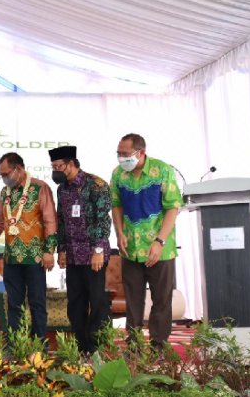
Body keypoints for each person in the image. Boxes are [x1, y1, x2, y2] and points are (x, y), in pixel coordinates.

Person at [0, 153, 57, 339]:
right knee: (13, 305)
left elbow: (50, 221)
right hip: (11, 258)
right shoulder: (5, 192)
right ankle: (15, 346)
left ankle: (39, 346)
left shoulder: (39, 188)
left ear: (18, 169)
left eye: (6, 174)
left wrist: (49, 252)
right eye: (1, 175)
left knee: (37, 303)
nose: (4, 179)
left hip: (35, 258)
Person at [110, 133, 182, 349]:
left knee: (161, 300)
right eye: (118, 154)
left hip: (159, 248)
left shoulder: (162, 170)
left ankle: (159, 346)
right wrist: (119, 233)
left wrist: (159, 241)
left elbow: (172, 207)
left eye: (125, 154)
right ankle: (133, 346)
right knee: (133, 301)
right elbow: (116, 205)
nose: (121, 158)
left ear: (140, 152)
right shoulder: (118, 175)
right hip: (129, 248)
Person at [49, 146, 112, 354]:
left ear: (71, 163)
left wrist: (98, 251)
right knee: (75, 304)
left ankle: (96, 347)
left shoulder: (96, 185)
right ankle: (81, 346)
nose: (56, 170)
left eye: (59, 166)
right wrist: (62, 249)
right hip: (74, 256)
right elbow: (62, 221)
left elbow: (103, 220)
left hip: (94, 255)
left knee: (97, 302)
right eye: (53, 167)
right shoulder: (62, 189)